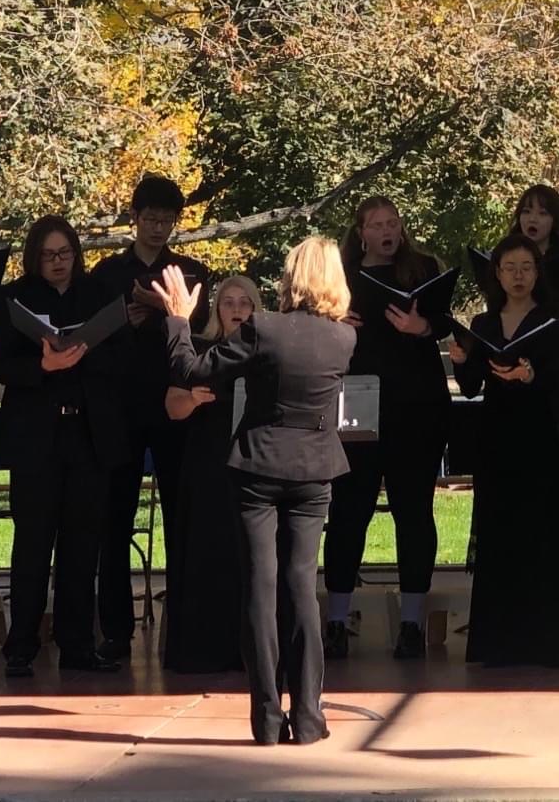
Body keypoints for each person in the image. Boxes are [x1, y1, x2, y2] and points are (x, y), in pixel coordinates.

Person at [146, 237, 358, 745]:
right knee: (302, 587)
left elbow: (190, 370)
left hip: (259, 470)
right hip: (313, 470)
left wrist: (178, 318)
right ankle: (308, 717)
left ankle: (266, 718)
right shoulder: (343, 339)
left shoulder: (265, 329)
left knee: (260, 589)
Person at [451, 234, 559, 666]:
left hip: (538, 442)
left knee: (539, 538)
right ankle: (495, 643)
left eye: (526, 268)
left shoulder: (551, 321)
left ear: (537, 273)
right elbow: (472, 387)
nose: (518, 276)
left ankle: (546, 643)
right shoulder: (482, 324)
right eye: (509, 268)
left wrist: (530, 373)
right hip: (497, 440)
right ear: (496, 273)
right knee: (499, 536)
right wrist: (463, 360)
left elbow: (558, 383)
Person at [0, 216, 131, 677]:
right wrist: (45, 366)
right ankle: (21, 646)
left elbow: (121, 353)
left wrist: (84, 353)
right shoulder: (14, 298)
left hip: (88, 436)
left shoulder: (98, 294)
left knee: (82, 545)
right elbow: (3, 366)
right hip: (36, 438)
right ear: (35, 257)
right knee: (32, 543)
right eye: (49, 255)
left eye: (65, 253)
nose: (57, 263)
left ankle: (77, 645)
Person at [323, 195, 453, 661]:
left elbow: (444, 321)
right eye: (377, 224)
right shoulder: (339, 277)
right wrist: (334, 319)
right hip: (357, 403)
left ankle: (412, 623)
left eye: (393, 222)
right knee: (348, 512)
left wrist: (422, 326)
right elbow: (313, 326)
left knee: (413, 512)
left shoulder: (423, 268)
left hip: (416, 408)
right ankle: (336, 619)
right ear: (361, 233)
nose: (387, 231)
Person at [89, 174, 208, 664]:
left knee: (184, 512)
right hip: (120, 405)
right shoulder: (106, 274)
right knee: (114, 519)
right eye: (151, 218)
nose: (159, 228)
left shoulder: (190, 271)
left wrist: (165, 314)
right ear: (134, 218)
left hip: (174, 402)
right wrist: (125, 321)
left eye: (168, 220)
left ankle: (186, 617)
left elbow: (202, 331)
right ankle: (115, 627)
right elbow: (89, 337)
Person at [161, 274, 260, 675]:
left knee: (248, 559)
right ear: (217, 309)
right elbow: (172, 406)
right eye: (228, 302)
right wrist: (193, 399)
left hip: (253, 465)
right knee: (205, 555)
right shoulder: (198, 351)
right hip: (206, 467)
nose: (236, 310)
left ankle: (250, 649)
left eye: (245, 303)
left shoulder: (265, 351)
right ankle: (202, 650)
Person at [493, 184, 559, 333]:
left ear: (554, 220)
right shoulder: (503, 256)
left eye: (542, 213)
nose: (533, 219)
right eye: (526, 212)